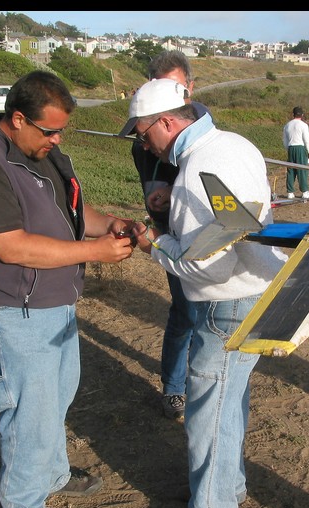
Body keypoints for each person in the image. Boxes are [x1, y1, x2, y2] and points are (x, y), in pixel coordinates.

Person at [0, 70, 137, 508]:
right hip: (11, 310)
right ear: (17, 118)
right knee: (28, 410)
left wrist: (111, 223)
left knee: (56, 398)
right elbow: (11, 246)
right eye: (48, 130)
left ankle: (52, 474)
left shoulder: (45, 153)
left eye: (61, 131)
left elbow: (75, 214)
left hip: (55, 304)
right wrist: (95, 253)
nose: (56, 139)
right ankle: (23, 502)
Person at [122, 78, 287, 508]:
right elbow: (240, 218)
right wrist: (173, 204)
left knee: (208, 405)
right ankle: (227, 487)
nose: (142, 142)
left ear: (167, 122)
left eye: (142, 132)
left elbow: (207, 265)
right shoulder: (234, 144)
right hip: (256, 289)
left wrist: (153, 243)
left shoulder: (197, 168)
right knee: (229, 398)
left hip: (225, 300)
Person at [126, 50, 212, 422]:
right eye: (161, 87)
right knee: (186, 313)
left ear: (189, 87)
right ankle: (175, 387)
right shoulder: (143, 141)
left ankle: (203, 381)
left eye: (177, 87)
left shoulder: (206, 123)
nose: (172, 95)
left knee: (210, 314)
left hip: (209, 232)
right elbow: (154, 195)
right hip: (174, 233)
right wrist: (160, 200)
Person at [282, 106, 309, 199]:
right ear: (302, 115)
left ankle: (290, 192)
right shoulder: (303, 125)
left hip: (291, 148)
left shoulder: (287, 125)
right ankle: (304, 191)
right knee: (302, 169)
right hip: (300, 148)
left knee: (291, 170)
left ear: (293, 114)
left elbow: (284, 140)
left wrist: (288, 149)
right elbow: (307, 140)